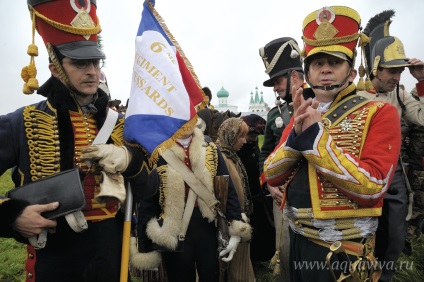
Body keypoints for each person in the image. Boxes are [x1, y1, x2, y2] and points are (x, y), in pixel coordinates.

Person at [0, 1, 144, 281]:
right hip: (55, 254)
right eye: (79, 63)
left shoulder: (119, 124)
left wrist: (131, 160)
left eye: (95, 61)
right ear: (55, 69)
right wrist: (11, 216)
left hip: (110, 249)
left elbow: (148, 187)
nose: (92, 71)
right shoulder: (21, 122)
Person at [264, 6, 401, 282]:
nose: (325, 69)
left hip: (342, 251)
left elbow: (373, 186)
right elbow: (272, 173)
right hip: (298, 239)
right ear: (308, 74)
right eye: (317, 63)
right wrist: (295, 138)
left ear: (351, 72)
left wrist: (315, 140)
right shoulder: (303, 110)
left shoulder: (379, 112)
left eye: (334, 63)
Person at [129, 123, 252, 282]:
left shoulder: (210, 148)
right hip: (172, 229)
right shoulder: (157, 151)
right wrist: (145, 247)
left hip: (206, 225)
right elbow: (148, 201)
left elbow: (228, 190)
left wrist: (236, 225)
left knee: (211, 275)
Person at [357, 10, 424, 281]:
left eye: (400, 70)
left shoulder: (400, 92)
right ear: (375, 67)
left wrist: (420, 80)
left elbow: (420, 118)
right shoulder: (357, 95)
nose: (397, 76)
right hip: (363, 172)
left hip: (394, 173)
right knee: (365, 234)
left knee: (395, 237)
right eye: (392, 70)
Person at [258, 36, 306, 279]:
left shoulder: (319, 102)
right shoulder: (273, 114)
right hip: (282, 196)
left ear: (293, 76)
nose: (275, 88)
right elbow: (265, 153)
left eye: (277, 81)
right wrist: (267, 182)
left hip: (314, 199)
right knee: (285, 254)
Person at [216, 117, 255, 281]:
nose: (244, 141)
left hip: (238, 220)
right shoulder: (219, 158)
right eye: (240, 136)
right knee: (231, 270)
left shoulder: (232, 156)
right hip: (228, 222)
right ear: (230, 136)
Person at [237, 115, 275, 268]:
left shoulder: (252, 146)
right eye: (251, 135)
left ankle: (260, 258)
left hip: (257, 194)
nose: (253, 139)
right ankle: (249, 260)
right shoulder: (237, 149)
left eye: (256, 136)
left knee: (262, 229)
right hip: (244, 197)